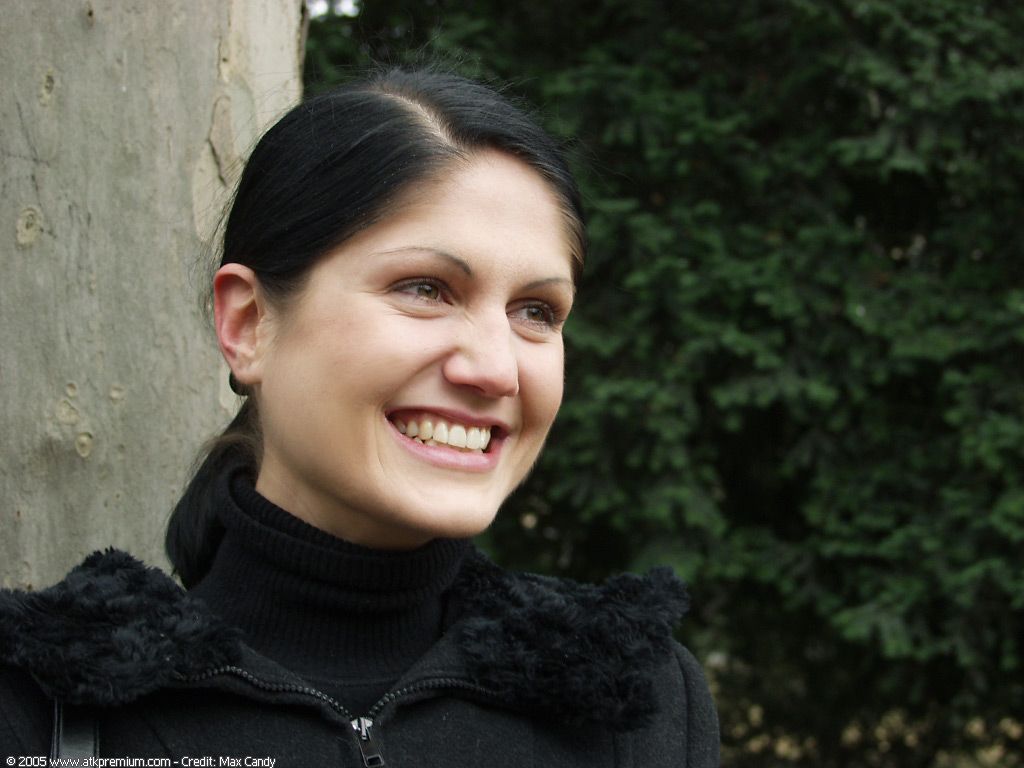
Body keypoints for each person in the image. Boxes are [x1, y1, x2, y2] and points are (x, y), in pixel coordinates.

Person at [0, 68, 719, 766]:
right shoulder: (38, 710)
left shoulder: (638, 706)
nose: (497, 368)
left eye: (536, 311)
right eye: (426, 289)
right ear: (248, 324)